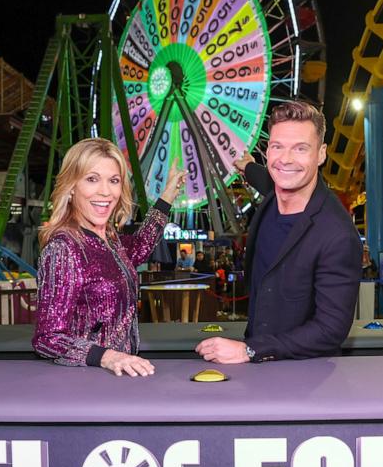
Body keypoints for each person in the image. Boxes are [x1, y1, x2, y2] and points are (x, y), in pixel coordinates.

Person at [197, 101, 361, 363]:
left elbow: (331, 329)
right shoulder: (275, 190)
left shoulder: (337, 234)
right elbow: (266, 176)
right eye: (277, 147)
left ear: (321, 154)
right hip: (257, 370)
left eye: (300, 149)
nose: (285, 159)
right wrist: (248, 166)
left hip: (304, 377)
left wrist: (249, 350)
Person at [32, 138, 185, 377]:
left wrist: (167, 196)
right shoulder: (65, 248)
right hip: (88, 382)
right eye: (92, 179)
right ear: (72, 186)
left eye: (114, 181)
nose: (105, 191)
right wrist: (106, 357)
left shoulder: (108, 237)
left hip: (121, 375)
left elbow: (139, 248)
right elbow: (47, 338)